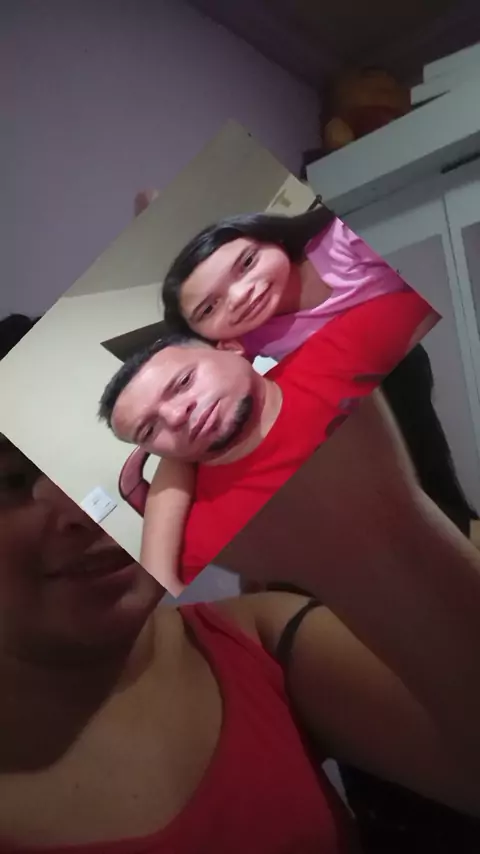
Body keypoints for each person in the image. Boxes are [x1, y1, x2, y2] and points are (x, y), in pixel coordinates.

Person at [2, 317, 480, 853]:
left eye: (102, 461)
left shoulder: (260, 641)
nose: (88, 510)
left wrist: (386, 525)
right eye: (13, 480)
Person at [99, 281, 437, 592]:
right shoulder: (199, 542)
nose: (176, 416)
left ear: (231, 348)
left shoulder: (335, 352)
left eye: (184, 382)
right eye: (150, 428)